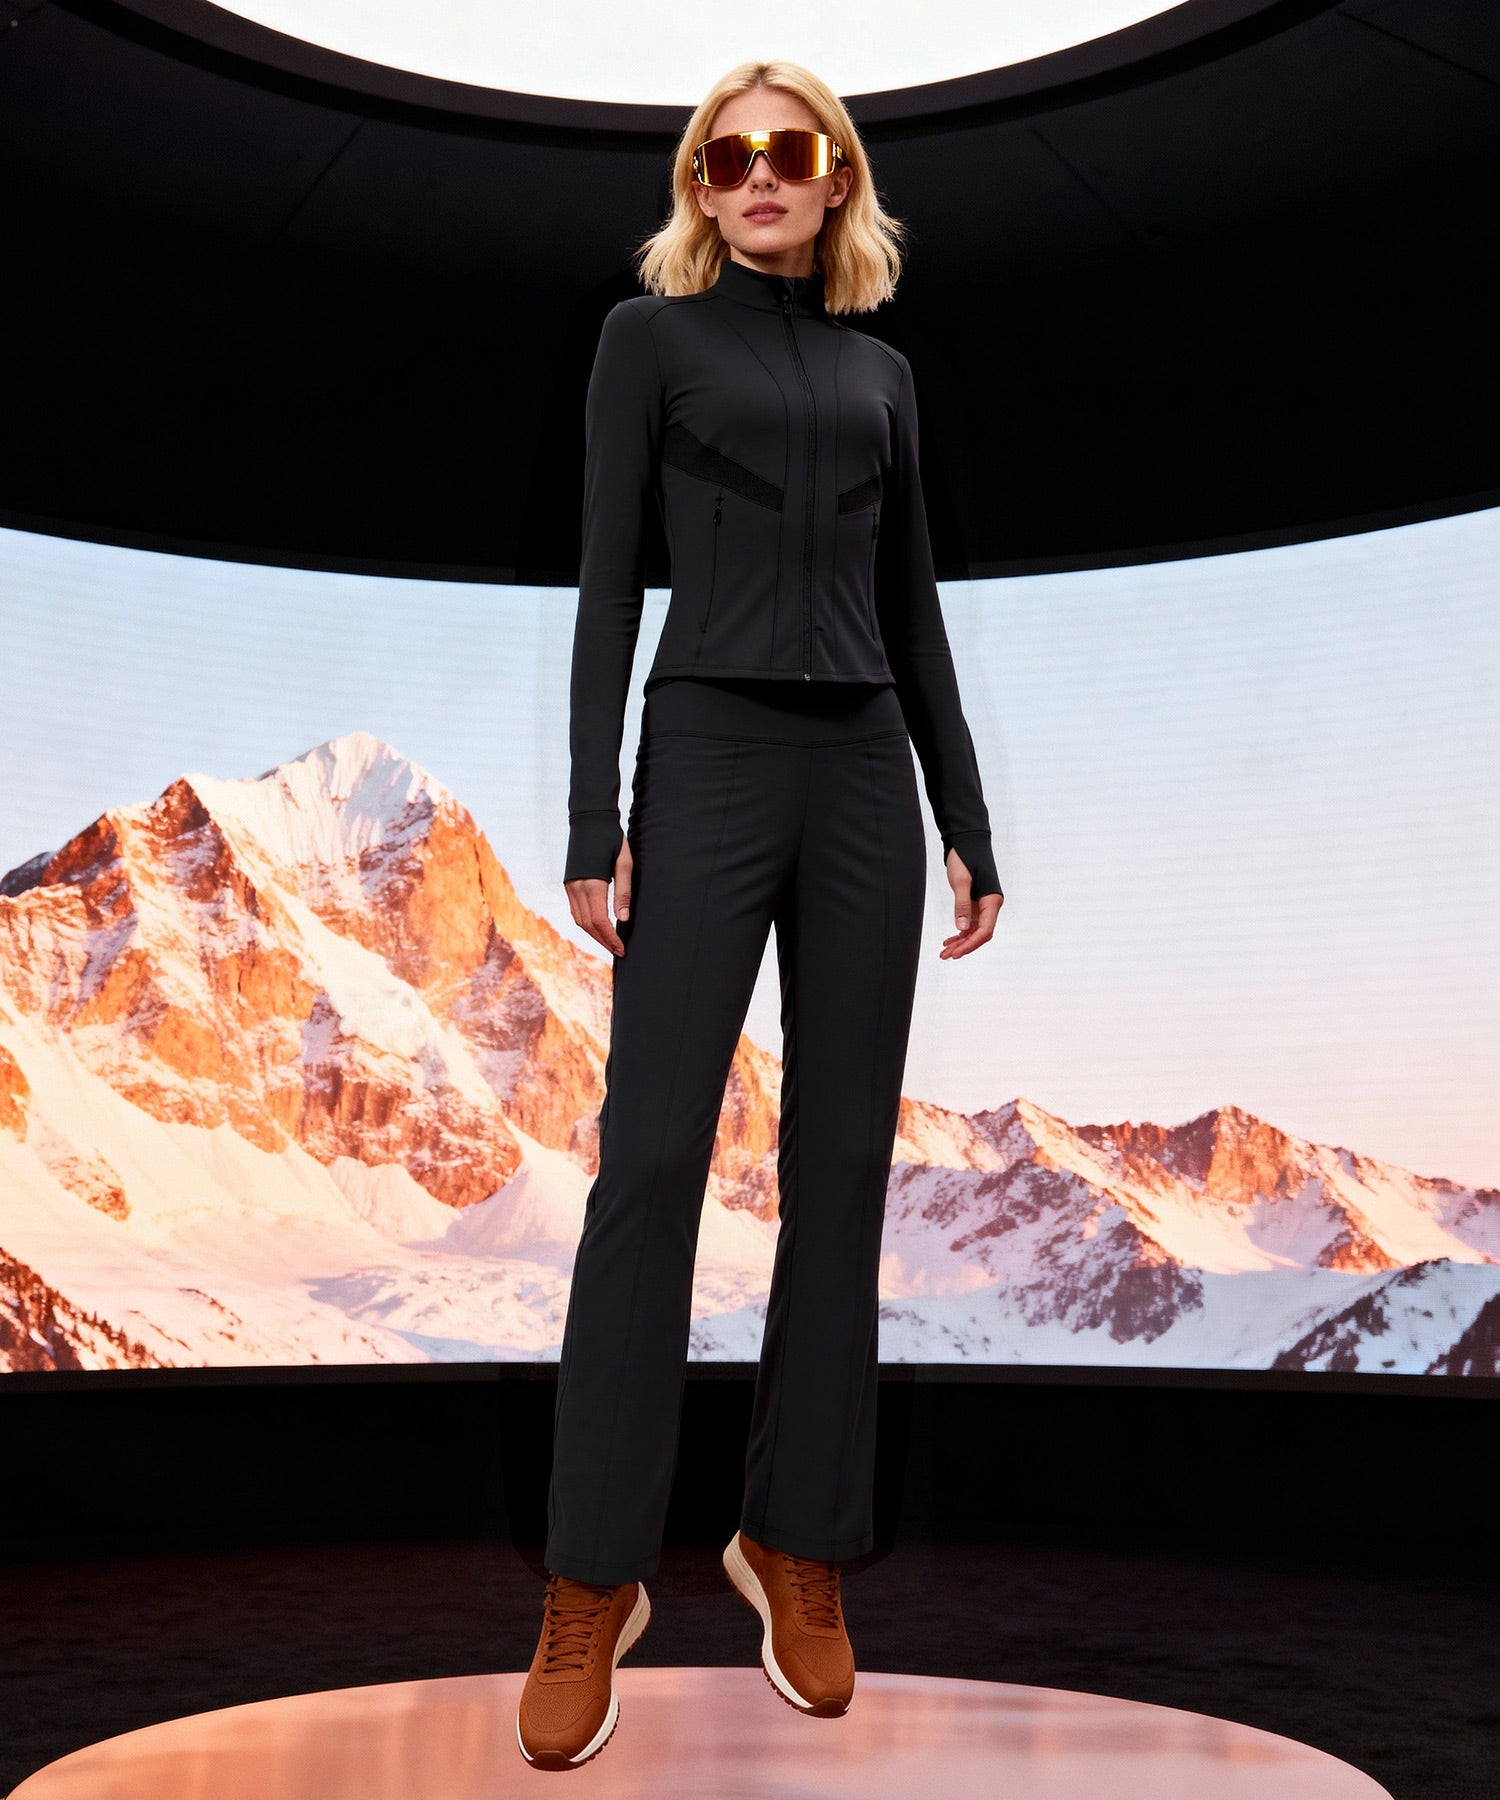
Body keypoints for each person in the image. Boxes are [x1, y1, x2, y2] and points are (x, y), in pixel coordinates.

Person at [516, 59, 1005, 1772]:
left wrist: (967, 818)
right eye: (725, 160)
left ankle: (795, 1543)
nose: (758, 177)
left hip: (865, 773)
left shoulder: (885, 374)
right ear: (700, 188)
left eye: (788, 152)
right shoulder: (642, 341)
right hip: (709, 754)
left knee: (843, 1169)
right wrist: (595, 821)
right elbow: (604, 587)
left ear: (836, 174)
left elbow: (914, 606)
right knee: (649, 1161)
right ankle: (592, 1581)